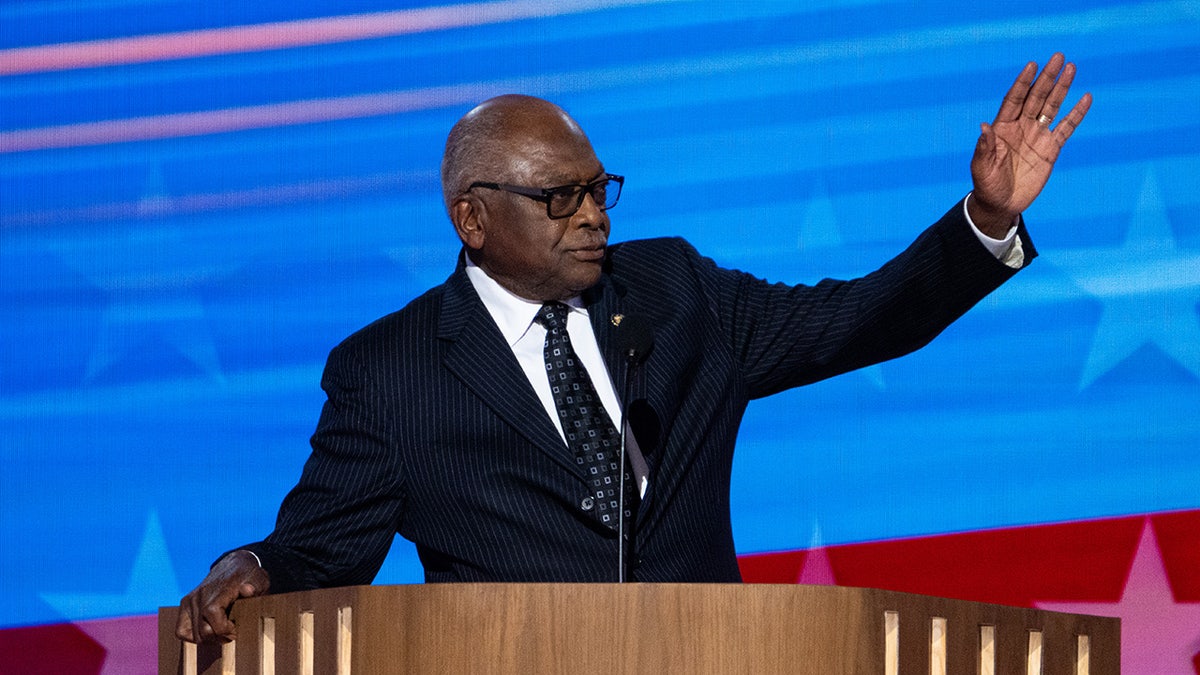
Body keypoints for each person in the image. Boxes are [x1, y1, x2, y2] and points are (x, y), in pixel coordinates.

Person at [177, 53, 1091, 644]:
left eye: (599, 189)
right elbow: (315, 550)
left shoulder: (674, 292)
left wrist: (986, 219)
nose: (595, 217)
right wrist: (247, 569)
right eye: (560, 200)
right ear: (473, 218)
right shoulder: (391, 370)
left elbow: (861, 318)